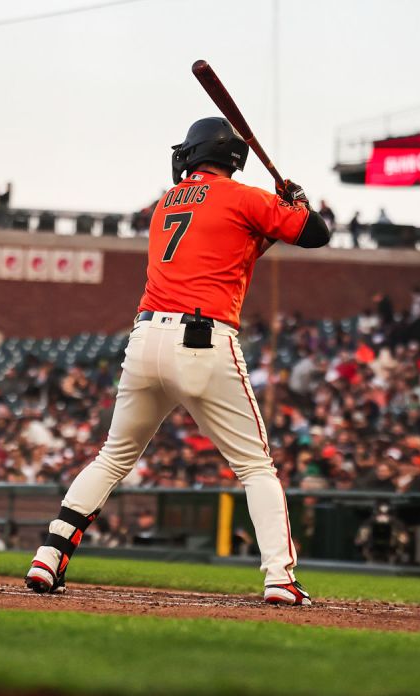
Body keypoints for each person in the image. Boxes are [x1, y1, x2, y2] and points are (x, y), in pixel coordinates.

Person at [25, 117, 331, 606]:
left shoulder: (164, 203)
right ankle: (279, 577)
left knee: (113, 456)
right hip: (205, 339)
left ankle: (49, 554)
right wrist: (297, 203)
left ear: (195, 152)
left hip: (145, 339)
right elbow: (316, 234)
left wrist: (283, 208)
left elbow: (238, 243)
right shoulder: (246, 197)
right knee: (255, 467)